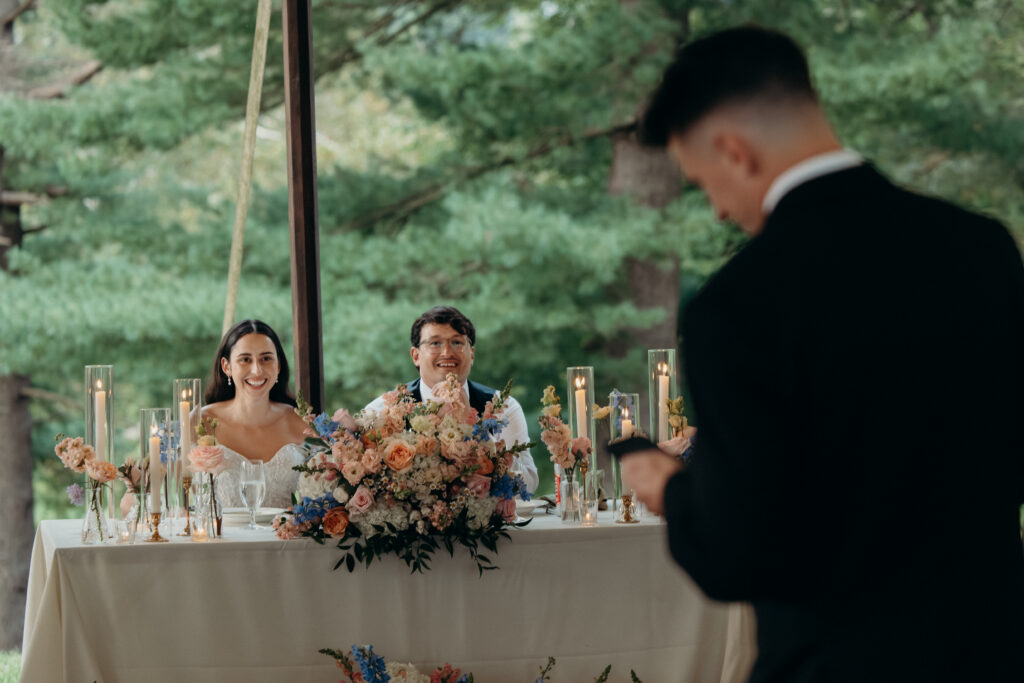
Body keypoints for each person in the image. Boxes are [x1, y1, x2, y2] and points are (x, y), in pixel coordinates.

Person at [620, 25, 1024, 683]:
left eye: (703, 183)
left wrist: (672, 488)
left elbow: (741, 553)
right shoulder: (983, 247)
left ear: (734, 151)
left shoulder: (737, 305)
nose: (719, 211)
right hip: (993, 652)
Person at [364, 306, 539, 494]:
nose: (447, 352)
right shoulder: (383, 410)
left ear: (471, 354)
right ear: (416, 356)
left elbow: (528, 483)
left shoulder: (503, 407)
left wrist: (474, 433)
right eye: (435, 343)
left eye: (456, 342)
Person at [201, 319, 309, 509]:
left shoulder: (301, 421)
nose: (257, 370)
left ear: (278, 366)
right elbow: (161, 489)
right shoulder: (201, 422)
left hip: (285, 537)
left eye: (266, 359)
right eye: (245, 359)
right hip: (221, 538)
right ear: (226, 367)